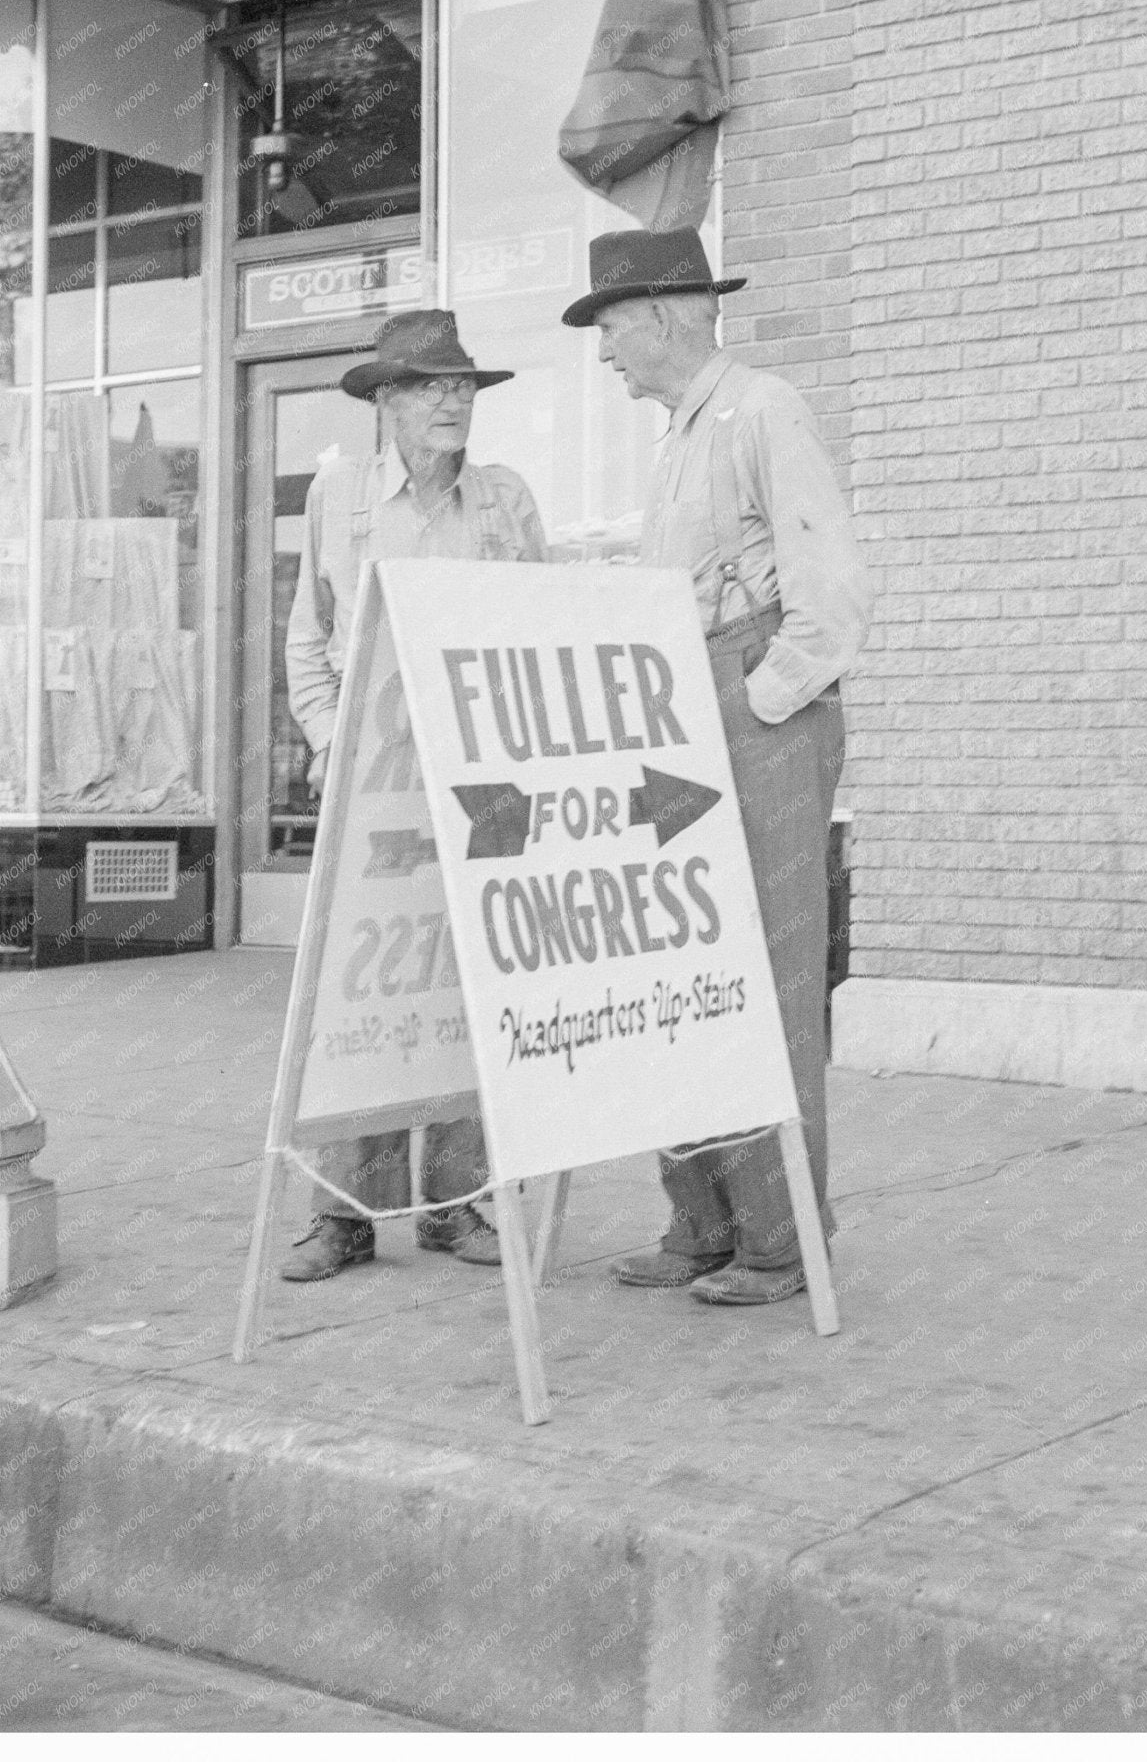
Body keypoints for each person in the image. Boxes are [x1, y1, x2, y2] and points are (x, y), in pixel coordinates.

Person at [563, 227, 872, 1305]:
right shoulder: (678, 438)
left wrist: (751, 702)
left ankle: (781, 1242)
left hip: (749, 710)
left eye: (607, 328)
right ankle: (699, 1220)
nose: (602, 354)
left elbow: (827, 598)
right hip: (677, 704)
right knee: (676, 969)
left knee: (766, 979)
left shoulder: (762, 411)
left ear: (659, 315)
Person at [279, 309, 550, 1282]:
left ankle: (458, 1200)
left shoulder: (503, 500)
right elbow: (307, 636)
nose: (451, 401)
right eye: (431, 385)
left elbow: (542, 630)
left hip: (488, 781)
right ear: (385, 401)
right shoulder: (338, 497)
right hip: (374, 779)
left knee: (478, 983)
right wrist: (326, 737)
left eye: (462, 386)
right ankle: (341, 1211)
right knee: (360, 984)